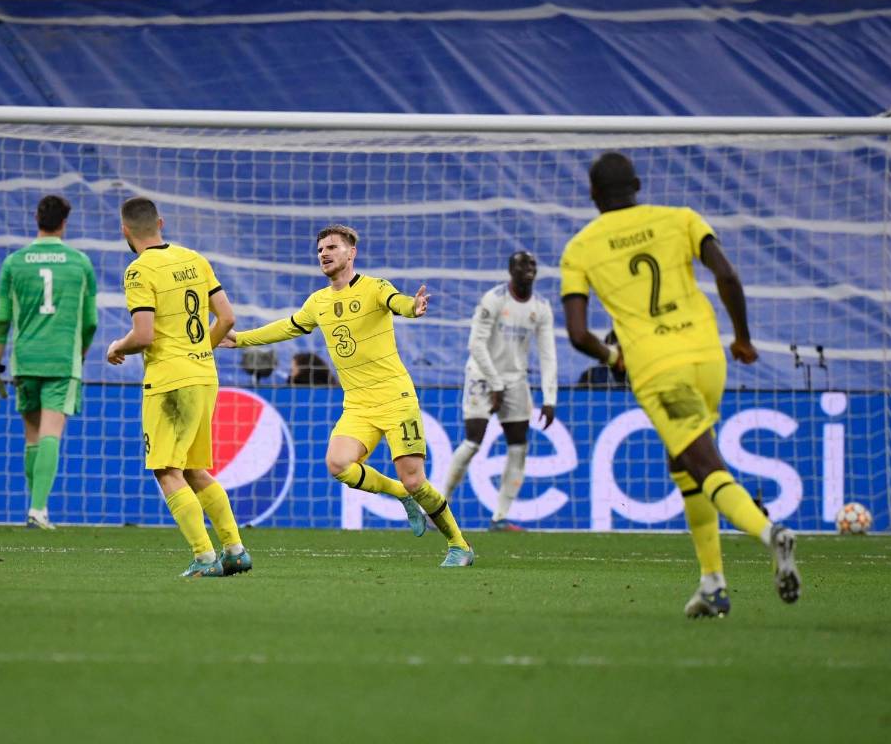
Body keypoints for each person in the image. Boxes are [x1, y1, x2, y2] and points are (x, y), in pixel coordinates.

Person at [560, 152, 800, 617]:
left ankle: (771, 534)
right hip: (708, 358)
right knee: (683, 464)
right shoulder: (681, 219)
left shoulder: (581, 248)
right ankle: (713, 584)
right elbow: (726, 274)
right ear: (638, 184)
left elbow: (577, 333)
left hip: (658, 368)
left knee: (704, 463)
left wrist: (613, 357)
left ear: (592, 195)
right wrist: (743, 338)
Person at [224, 224, 474, 567]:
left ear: (350, 253)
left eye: (331, 247)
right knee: (338, 463)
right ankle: (401, 495)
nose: (324, 254)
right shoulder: (318, 302)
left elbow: (397, 302)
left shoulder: (374, 287)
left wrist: (412, 307)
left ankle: (459, 545)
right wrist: (240, 338)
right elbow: (286, 326)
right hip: (357, 403)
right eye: (319, 250)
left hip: (396, 398)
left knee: (415, 479)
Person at [106, 197, 251, 578]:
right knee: (194, 469)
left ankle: (204, 557)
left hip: (169, 381)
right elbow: (228, 318)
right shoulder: (194, 259)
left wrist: (116, 347)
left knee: (166, 471)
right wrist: (200, 349)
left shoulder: (138, 272)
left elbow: (143, 335)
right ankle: (235, 549)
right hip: (204, 376)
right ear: (161, 223)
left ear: (125, 231)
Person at [0, 195, 98, 530]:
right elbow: (90, 322)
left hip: (25, 359)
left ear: (36, 218)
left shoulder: (14, 263)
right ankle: (39, 508)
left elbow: (1, 321)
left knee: (32, 435)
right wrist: (80, 354)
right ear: (65, 222)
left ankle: (35, 507)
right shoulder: (80, 263)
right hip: (62, 359)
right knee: (51, 433)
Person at [442, 251, 558, 531]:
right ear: (510, 270)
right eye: (521, 264)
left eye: (532, 264)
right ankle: (437, 507)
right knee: (473, 441)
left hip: (516, 381)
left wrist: (549, 397)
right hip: (482, 375)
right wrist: (495, 383)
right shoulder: (493, 300)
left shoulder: (541, 308)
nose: (528, 268)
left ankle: (500, 518)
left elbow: (548, 354)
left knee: (519, 446)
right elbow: (475, 345)